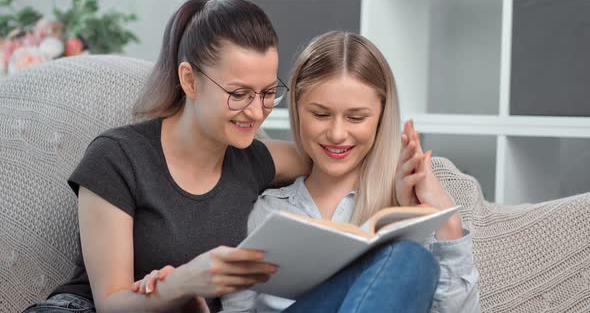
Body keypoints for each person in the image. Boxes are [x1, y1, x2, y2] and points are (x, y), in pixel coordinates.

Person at [140, 31, 481, 312]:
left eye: (356, 117)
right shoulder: (267, 211)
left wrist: (449, 225)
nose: (336, 134)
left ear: (380, 118)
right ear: (297, 110)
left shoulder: (405, 214)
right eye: (320, 114)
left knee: (410, 258)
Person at [23, 0, 309, 313]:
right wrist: (184, 282)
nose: (256, 112)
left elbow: (333, 157)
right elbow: (111, 304)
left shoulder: (255, 159)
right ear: (189, 80)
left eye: (268, 93)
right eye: (239, 94)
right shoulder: (117, 158)